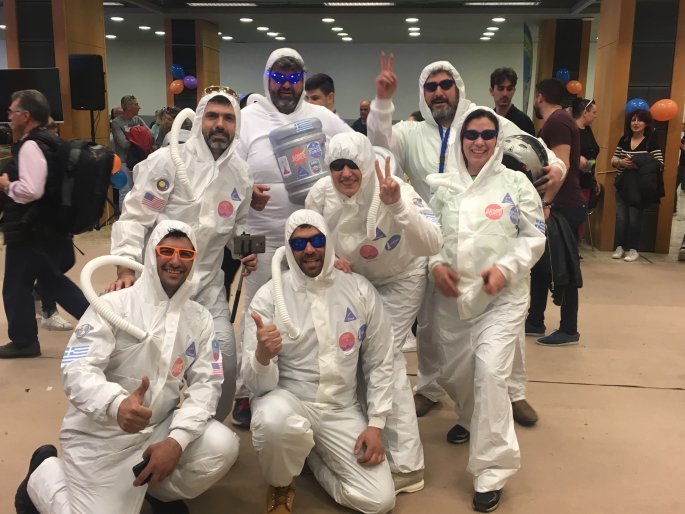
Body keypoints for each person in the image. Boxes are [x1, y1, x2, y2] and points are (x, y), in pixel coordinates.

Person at [367, 53, 565, 429]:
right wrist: (382, 102)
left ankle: (513, 391)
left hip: (490, 239)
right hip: (432, 240)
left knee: (502, 321)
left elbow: (540, 150)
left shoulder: (481, 122)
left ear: (458, 87)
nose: (439, 92)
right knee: (431, 322)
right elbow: (378, 143)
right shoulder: (411, 132)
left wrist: (556, 169)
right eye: (431, 87)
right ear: (423, 93)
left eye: (446, 85)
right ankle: (429, 387)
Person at [15, 220, 240, 514]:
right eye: (166, 251)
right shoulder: (113, 305)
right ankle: (42, 475)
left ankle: (155, 491)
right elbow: (76, 368)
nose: (175, 261)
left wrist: (177, 440)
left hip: (158, 429)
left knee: (221, 445)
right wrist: (116, 404)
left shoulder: (199, 318)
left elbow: (207, 384)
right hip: (101, 437)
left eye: (185, 254)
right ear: (151, 253)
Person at [306, 131, 444, 493]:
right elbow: (309, 238)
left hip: (401, 277)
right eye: (337, 166)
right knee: (351, 355)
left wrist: (397, 206)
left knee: (385, 358)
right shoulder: (320, 194)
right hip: (354, 282)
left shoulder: (394, 187)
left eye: (353, 165)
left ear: (367, 164)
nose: (346, 173)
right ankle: (359, 438)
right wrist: (330, 260)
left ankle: (408, 464)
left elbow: (433, 241)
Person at [108, 88, 256, 422]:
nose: (220, 125)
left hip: (206, 289)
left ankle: (204, 430)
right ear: (199, 119)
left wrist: (247, 251)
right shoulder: (168, 162)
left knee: (224, 365)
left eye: (228, 118)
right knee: (148, 373)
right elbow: (134, 218)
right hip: (155, 289)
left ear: (237, 125)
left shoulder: (241, 174)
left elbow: (238, 227)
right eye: (212, 116)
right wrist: (126, 270)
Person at [428, 108, 545, 512]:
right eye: (472, 134)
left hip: (503, 297)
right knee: (457, 375)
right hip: (454, 299)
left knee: (492, 374)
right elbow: (430, 238)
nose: (479, 142)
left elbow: (534, 236)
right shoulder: (444, 187)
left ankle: (491, 471)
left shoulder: (516, 183)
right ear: (460, 140)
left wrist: (505, 269)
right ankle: (468, 417)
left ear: (497, 140)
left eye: (487, 134)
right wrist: (436, 266)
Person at [243, 209, 395, 514]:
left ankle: (311, 457)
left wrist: (376, 424)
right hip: (290, 401)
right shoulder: (269, 297)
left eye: (317, 240)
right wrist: (262, 356)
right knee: (272, 421)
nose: (309, 249)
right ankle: (282, 482)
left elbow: (380, 360)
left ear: (328, 241)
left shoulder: (358, 289)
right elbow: (256, 387)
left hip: (341, 408)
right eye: (299, 244)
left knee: (380, 501)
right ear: (289, 249)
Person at [233, 48, 351, 427]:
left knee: (310, 311)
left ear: (302, 82)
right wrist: (246, 195)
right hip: (260, 239)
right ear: (266, 79)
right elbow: (228, 174)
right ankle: (246, 391)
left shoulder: (321, 118)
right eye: (279, 78)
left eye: (294, 79)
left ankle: (303, 386)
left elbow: (356, 150)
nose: (286, 86)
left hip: (311, 241)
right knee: (256, 312)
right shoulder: (247, 120)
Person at [0, 89, 89, 359]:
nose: (9, 117)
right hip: (47, 227)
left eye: (12, 112)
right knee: (50, 282)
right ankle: (103, 324)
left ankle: (24, 342)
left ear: (26, 115)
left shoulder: (31, 145)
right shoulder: (51, 140)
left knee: (17, 286)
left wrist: (7, 185)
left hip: (30, 229)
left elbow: (32, 189)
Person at [526, 78, 585, 346]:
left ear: (539, 97)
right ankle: (535, 320)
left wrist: (547, 202)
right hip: (557, 204)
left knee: (566, 268)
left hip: (563, 205)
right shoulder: (558, 121)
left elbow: (561, 165)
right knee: (541, 265)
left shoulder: (558, 121)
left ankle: (569, 329)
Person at [610, 109, 664, 262]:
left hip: (640, 188)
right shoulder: (624, 139)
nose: (635, 123)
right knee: (621, 217)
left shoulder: (650, 141)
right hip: (622, 185)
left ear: (646, 123)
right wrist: (620, 162)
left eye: (639, 120)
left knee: (634, 218)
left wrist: (638, 164)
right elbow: (613, 159)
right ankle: (619, 247)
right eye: (633, 120)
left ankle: (633, 249)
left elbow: (659, 163)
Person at [110, 95, 150, 210]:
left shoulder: (138, 119)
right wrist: (140, 138)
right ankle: (124, 217)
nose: (139, 107)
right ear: (128, 107)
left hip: (140, 160)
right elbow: (123, 144)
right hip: (124, 162)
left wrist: (134, 138)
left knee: (141, 190)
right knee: (125, 192)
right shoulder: (116, 122)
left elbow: (150, 136)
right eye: (136, 104)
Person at [571, 98, 601, 242]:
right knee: (574, 214)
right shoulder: (572, 130)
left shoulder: (588, 130)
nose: (595, 116)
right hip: (573, 181)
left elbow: (592, 156)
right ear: (584, 112)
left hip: (587, 180)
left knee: (582, 215)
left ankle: (577, 245)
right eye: (593, 112)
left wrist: (595, 176)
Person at [489, 67, 536, 136]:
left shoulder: (524, 122)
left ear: (514, 91)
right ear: (491, 91)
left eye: (509, 89)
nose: (505, 94)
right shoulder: (489, 120)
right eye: (500, 89)